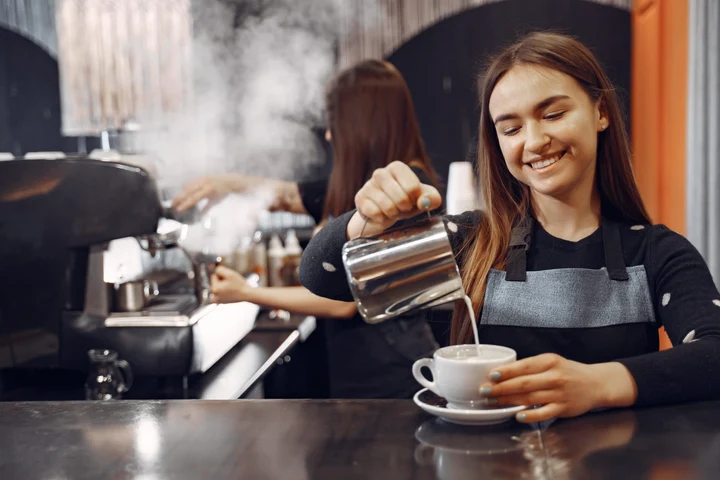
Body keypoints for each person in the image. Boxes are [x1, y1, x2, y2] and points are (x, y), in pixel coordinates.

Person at [299, 32, 720, 422]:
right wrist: (361, 222)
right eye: (512, 128)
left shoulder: (656, 252)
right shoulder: (473, 244)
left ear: (601, 113)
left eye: (552, 114)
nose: (534, 141)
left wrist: (599, 384)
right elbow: (322, 278)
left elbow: (713, 353)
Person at [172, 59, 442, 399]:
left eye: (335, 123)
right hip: (363, 373)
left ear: (361, 124)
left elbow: (344, 300)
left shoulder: (402, 193)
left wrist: (246, 293)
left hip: (393, 378)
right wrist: (227, 183)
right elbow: (287, 196)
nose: (329, 135)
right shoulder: (365, 188)